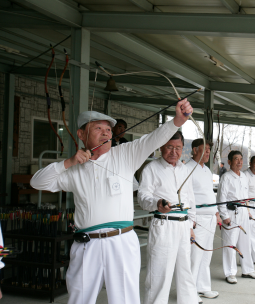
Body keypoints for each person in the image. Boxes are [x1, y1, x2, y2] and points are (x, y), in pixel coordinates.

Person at [30, 99, 193, 304]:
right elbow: (37, 182)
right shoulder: (74, 170)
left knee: (124, 299)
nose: (106, 132)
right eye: (98, 128)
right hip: (87, 244)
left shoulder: (124, 155)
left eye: (108, 129)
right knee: (80, 299)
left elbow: (152, 139)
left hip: (121, 241)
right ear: (81, 134)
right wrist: (69, 162)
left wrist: (177, 121)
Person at [138, 131, 199, 304]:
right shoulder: (151, 168)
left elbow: (190, 199)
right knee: (159, 273)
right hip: (163, 225)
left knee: (185, 271)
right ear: (161, 147)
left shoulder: (185, 169)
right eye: (169, 147)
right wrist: (156, 203)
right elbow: (143, 197)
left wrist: (191, 226)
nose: (174, 152)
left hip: (183, 225)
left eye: (178, 148)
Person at [217, 151, 255, 284]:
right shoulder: (226, 177)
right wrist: (224, 216)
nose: (239, 162)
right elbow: (221, 198)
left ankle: (248, 270)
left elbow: (246, 196)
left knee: (245, 242)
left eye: (241, 159)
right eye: (236, 159)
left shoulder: (243, 176)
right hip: (231, 213)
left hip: (243, 212)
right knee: (230, 243)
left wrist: (248, 211)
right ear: (230, 162)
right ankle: (230, 273)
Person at [186, 139, 222, 300]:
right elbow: (186, 197)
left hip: (210, 216)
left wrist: (216, 213)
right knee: (195, 255)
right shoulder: (187, 169)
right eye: (205, 149)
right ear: (195, 150)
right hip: (197, 218)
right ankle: (189, 291)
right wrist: (189, 219)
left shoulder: (207, 171)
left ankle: (203, 287)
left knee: (206, 254)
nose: (208, 153)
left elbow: (209, 194)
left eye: (209, 150)